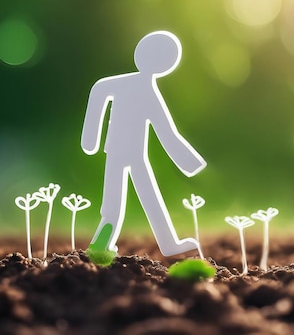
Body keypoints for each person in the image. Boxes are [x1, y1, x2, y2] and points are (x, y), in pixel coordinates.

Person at [81, 31, 206, 262]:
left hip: (132, 154)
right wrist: (90, 138)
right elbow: (99, 90)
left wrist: (190, 162)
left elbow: (167, 133)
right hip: (120, 153)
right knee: (116, 205)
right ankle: (101, 244)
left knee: (143, 199)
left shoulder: (145, 91)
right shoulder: (137, 88)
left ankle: (166, 244)